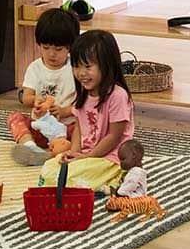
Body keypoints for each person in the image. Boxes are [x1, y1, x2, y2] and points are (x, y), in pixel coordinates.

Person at [38, 29, 135, 192]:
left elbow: (114, 136)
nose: (81, 73)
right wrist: (73, 153)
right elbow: (79, 127)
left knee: (71, 178)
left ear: (107, 65)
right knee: (49, 168)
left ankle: (116, 178)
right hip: (87, 155)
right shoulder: (84, 93)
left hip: (111, 157)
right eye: (76, 66)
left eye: (88, 66)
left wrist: (86, 157)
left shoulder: (117, 95)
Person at [8, 8, 80, 165]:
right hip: (40, 128)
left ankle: (58, 152)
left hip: (66, 129)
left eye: (58, 49)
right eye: (46, 48)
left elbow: (82, 103)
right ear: (38, 44)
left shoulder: (74, 69)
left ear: (69, 47)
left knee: (81, 128)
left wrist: (64, 111)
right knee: (15, 118)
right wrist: (35, 101)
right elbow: (26, 97)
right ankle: (30, 147)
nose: (52, 54)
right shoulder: (35, 68)